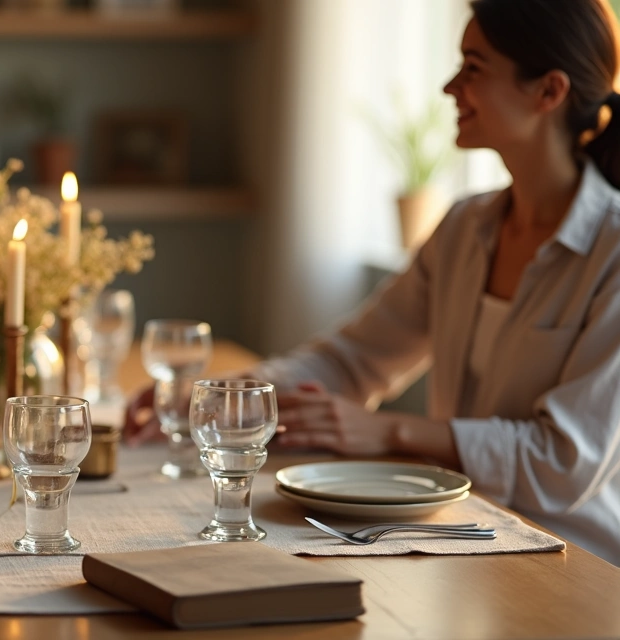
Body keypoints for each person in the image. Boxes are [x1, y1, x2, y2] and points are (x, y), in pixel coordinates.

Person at [126, 0, 620, 565]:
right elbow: (351, 362)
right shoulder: (465, 227)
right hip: (456, 540)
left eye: (474, 68)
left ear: (548, 92)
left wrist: (390, 433)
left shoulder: (613, 251)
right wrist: (234, 396)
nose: (450, 87)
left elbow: (563, 462)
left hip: (574, 563)